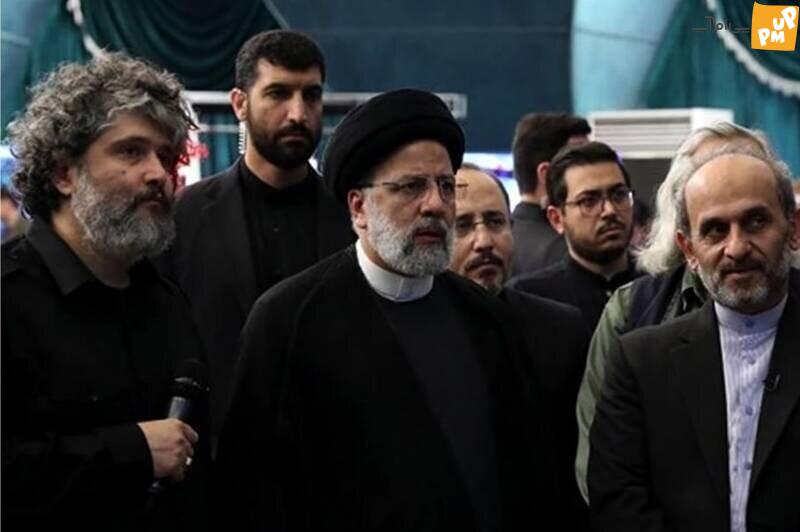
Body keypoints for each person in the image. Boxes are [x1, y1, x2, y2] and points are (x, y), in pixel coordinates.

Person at [215, 89, 560, 531]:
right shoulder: (288, 321)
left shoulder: (484, 318)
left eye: (445, 186)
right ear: (359, 207)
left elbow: (527, 473)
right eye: (411, 187)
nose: (435, 204)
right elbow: (252, 493)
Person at [2, 53, 209, 531]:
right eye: (131, 152)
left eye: (165, 156)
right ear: (63, 173)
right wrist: (132, 451)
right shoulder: (9, 301)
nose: (158, 175)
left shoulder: (166, 302)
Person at [588, 140, 800, 531]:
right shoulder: (641, 361)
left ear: (793, 228)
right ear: (688, 250)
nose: (736, 248)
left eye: (756, 222)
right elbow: (617, 500)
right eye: (715, 230)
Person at [164, 30, 354, 443]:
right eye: (278, 94)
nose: (298, 114)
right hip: (219, 454)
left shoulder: (353, 219)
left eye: (311, 96)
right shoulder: (185, 216)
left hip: (330, 452)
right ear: (240, 103)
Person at [449, 163, 591, 528]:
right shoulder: (414, 338)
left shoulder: (561, 330)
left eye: (495, 222)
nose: (484, 241)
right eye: (462, 225)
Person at [509, 141, 640, 331]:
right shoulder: (528, 298)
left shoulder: (664, 285)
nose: (610, 211)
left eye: (619, 195)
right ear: (557, 218)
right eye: (589, 201)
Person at [510, 113, 591, 275]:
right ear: (547, 175)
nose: (593, 174)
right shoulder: (568, 253)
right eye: (581, 164)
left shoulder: (501, 243)